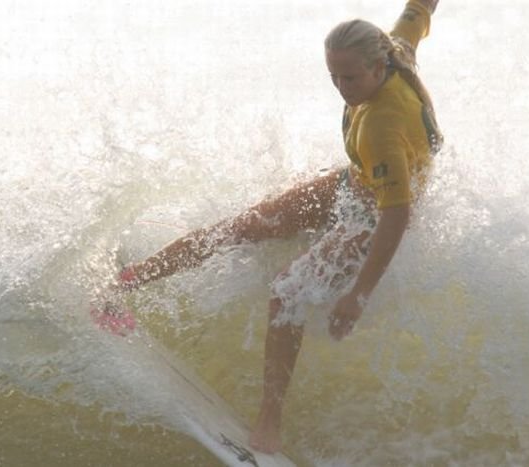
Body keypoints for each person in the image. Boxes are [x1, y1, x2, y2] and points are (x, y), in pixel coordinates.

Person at [98, 0, 442, 454]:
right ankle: (126, 282)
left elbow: (397, 216)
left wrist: (358, 294)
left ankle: (269, 421)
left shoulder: (381, 123)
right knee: (239, 227)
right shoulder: (396, 48)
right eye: (333, 77)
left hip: (374, 215)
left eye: (350, 78)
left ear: (379, 67)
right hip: (352, 182)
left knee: (287, 292)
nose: (341, 88)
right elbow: (419, 9)